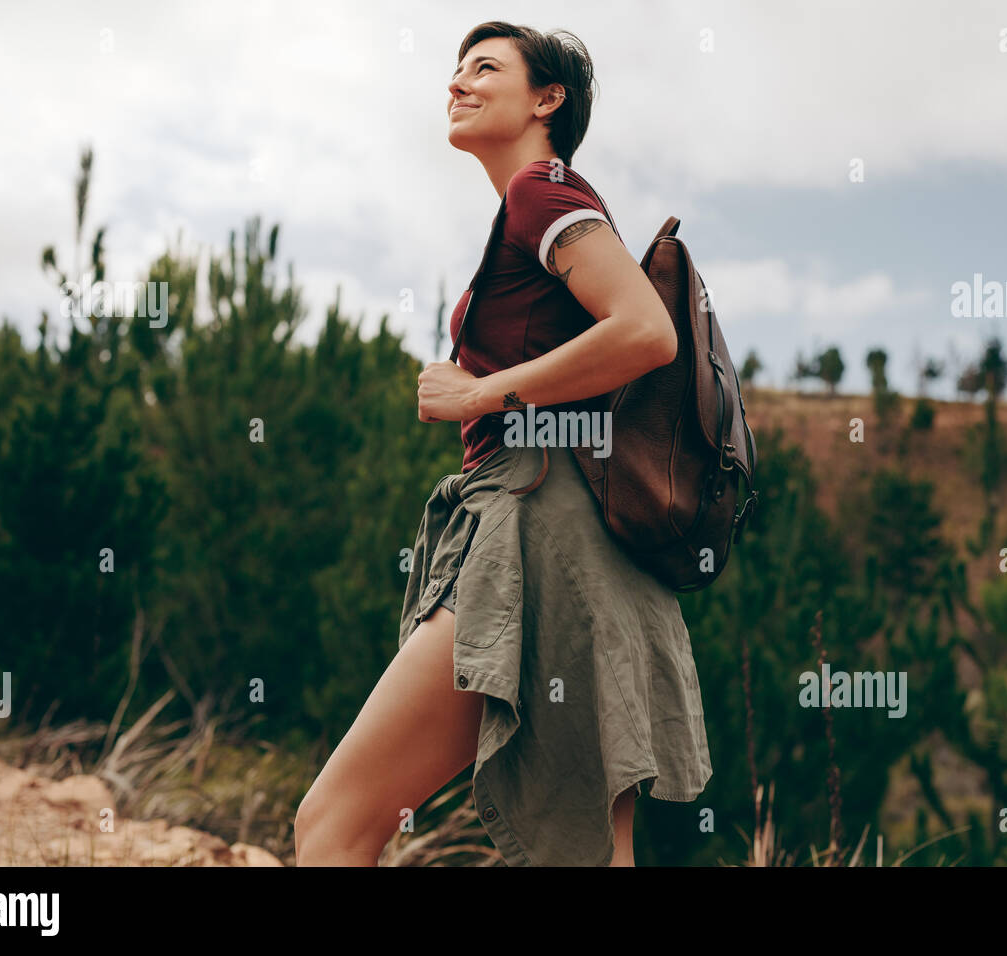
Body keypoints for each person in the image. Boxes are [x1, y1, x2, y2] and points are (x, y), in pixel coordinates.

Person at [295, 20, 711, 867]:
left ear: (546, 98)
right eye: (454, 70)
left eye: (484, 68)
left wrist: (480, 392)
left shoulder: (543, 194)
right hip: (590, 547)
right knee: (594, 853)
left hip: (541, 530)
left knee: (334, 823)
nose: (457, 83)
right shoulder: (532, 206)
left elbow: (646, 331)